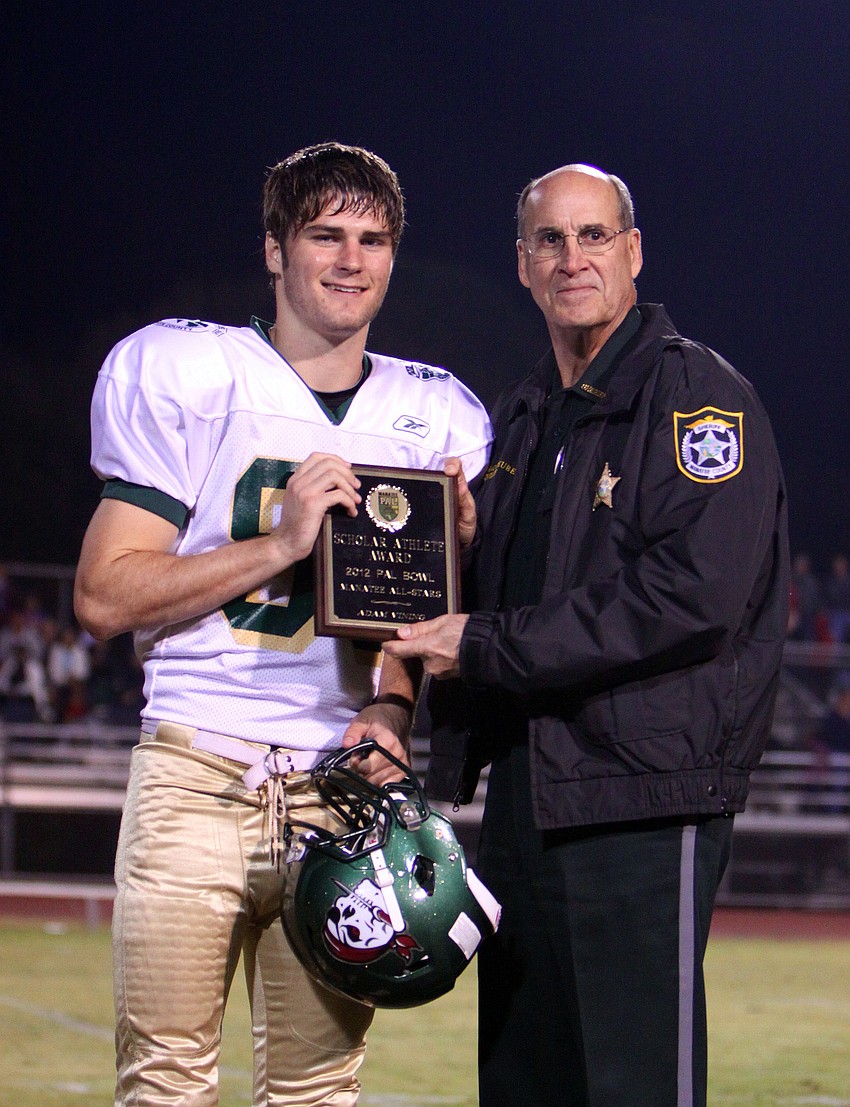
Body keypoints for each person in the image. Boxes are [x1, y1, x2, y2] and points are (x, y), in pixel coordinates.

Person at [73, 142, 492, 1107]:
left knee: (318, 1092)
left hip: (341, 792)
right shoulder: (189, 369)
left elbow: (414, 626)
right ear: (274, 248)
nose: (351, 259)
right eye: (324, 235)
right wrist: (280, 544)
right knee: (165, 1083)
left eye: (373, 240)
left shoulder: (436, 412)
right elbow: (103, 596)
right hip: (197, 770)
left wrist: (395, 704)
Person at [384, 163, 789, 1107]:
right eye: (551, 240)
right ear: (523, 264)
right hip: (526, 796)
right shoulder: (525, 413)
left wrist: (482, 644)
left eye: (594, 235)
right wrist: (463, 547)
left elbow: (691, 595)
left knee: (632, 1085)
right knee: (525, 1083)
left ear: (633, 252)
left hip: (643, 796)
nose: (574, 258)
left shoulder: (696, 395)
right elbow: (511, 593)